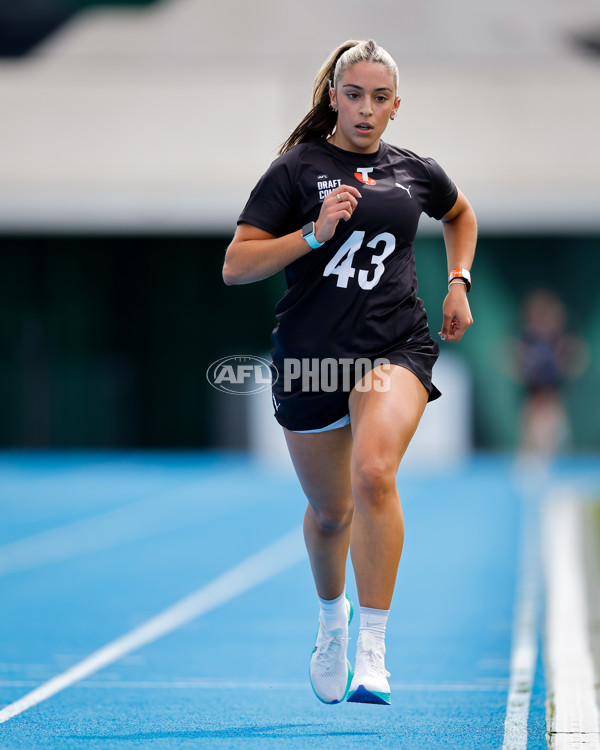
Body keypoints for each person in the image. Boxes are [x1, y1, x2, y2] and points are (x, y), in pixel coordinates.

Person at [223, 39, 476, 706]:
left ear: (396, 106)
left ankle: (373, 650)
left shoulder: (415, 170)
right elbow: (236, 264)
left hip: (396, 345)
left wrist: (458, 280)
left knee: (373, 474)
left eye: (380, 98)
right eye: (355, 94)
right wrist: (312, 233)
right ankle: (331, 622)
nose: (367, 109)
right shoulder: (296, 170)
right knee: (331, 512)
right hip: (310, 358)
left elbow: (459, 213)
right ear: (334, 96)